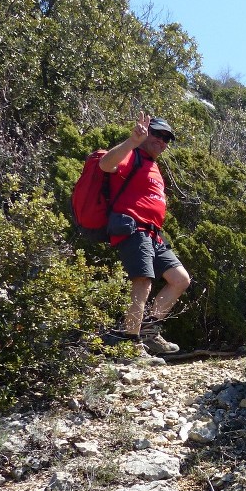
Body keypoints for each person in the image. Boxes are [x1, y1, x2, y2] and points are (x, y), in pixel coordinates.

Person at [99, 111, 191, 355]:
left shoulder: (153, 166)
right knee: (143, 281)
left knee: (180, 279)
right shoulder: (133, 155)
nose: (161, 141)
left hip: (153, 234)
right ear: (146, 132)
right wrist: (132, 141)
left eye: (166, 138)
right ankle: (130, 343)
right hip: (133, 228)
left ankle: (149, 331)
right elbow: (105, 164)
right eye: (157, 134)